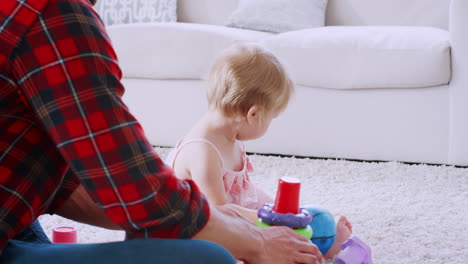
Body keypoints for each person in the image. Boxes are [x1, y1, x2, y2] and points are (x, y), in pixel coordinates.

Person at [0, 0, 323, 264]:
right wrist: (257, 244)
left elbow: (67, 178)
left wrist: (226, 221)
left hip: (17, 216)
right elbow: (132, 183)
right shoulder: (53, 15)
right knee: (207, 257)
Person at [165, 43, 352, 261]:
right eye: (271, 119)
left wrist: (279, 212)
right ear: (253, 115)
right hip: (201, 231)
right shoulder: (203, 152)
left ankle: (324, 243)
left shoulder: (230, 134)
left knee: (299, 220)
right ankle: (309, 246)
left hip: (234, 215)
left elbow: (244, 192)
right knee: (276, 234)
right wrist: (264, 220)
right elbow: (218, 214)